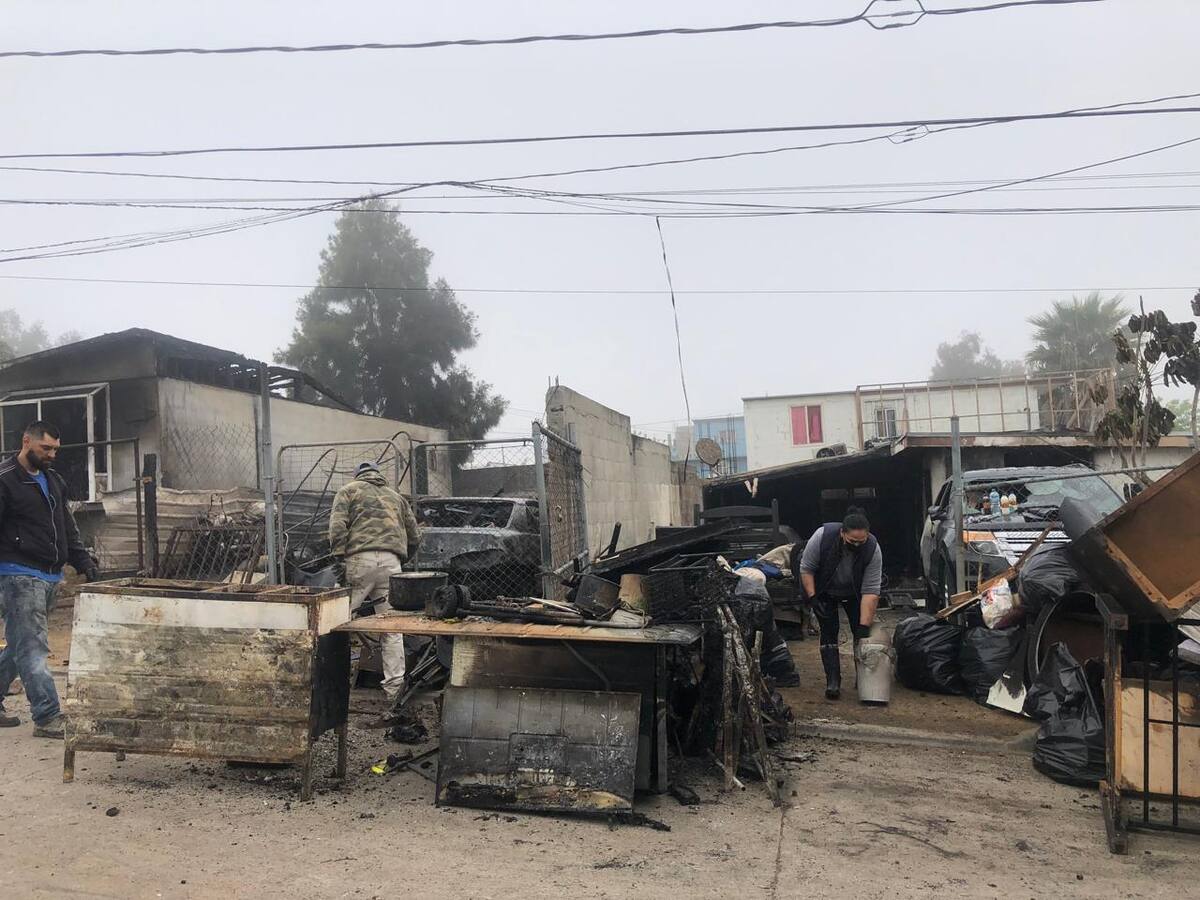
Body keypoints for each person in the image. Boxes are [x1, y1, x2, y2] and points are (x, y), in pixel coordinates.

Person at [0, 421, 98, 737]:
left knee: (19, 644)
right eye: (46, 448)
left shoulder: (53, 481)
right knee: (33, 648)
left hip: (50, 575)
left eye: (55, 449)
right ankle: (47, 716)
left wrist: (82, 560)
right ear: (26, 441)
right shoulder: (4, 481)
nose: (52, 454)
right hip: (18, 575)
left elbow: (66, 527)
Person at [328, 461, 421, 701]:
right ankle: (394, 690)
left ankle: (330, 685)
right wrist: (401, 559)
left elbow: (337, 527)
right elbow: (415, 535)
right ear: (379, 476)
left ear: (358, 475)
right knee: (392, 627)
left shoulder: (348, 491)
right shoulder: (396, 497)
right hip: (392, 563)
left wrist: (339, 557)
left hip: (359, 560)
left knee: (337, 621)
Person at [798, 507, 882, 700]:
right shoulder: (823, 537)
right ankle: (833, 681)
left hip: (855, 592)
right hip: (824, 589)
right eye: (852, 541)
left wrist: (864, 624)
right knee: (829, 631)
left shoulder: (872, 548)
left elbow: (871, 589)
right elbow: (807, 568)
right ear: (842, 533)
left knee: (862, 633)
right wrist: (812, 598)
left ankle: (863, 678)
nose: (857, 545)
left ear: (867, 535)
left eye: (861, 541)